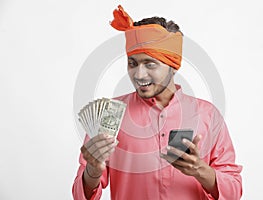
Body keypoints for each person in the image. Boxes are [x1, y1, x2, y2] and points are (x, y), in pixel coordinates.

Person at [72, 5, 242, 200]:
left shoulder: (208, 115)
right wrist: (92, 172)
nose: (139, 74)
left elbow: (234, 191)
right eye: (132, 63)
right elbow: (81, 195)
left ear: (173, 65)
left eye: (150, 64)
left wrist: (200, 170)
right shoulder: (108, 114)